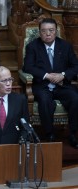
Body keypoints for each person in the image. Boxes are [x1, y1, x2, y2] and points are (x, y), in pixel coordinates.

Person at [23, 18, 78, 149]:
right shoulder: (33, 47)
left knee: (75, 98)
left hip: (62, 85)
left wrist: (62, 75)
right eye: (44, 31)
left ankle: (73, 134)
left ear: (56, 32)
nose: (47, 34)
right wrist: (47, 76)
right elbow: (28, 67)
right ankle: (50, 134)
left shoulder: (65, 46)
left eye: (51, 30)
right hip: (42, 85)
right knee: (44, 99)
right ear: (39, 33)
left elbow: (75, 66)